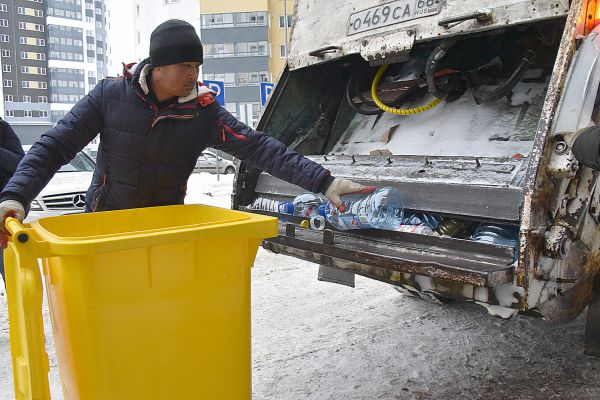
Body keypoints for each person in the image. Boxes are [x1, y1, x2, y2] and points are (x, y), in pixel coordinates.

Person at [0, 19, 364, 246]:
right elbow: (54, 145)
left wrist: (324, 182)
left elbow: (260, 148)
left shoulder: (202, 114)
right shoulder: (110, 97)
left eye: (197, 66)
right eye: (185, 65)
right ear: (158, 66)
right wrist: (16, 194)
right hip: (105, 227)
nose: (194, 74)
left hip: (164, 229)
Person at [0, 118, 24, 282]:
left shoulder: (2, 128)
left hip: (2, 217)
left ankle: (18, 307)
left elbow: (20, 164)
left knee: (13, 277)